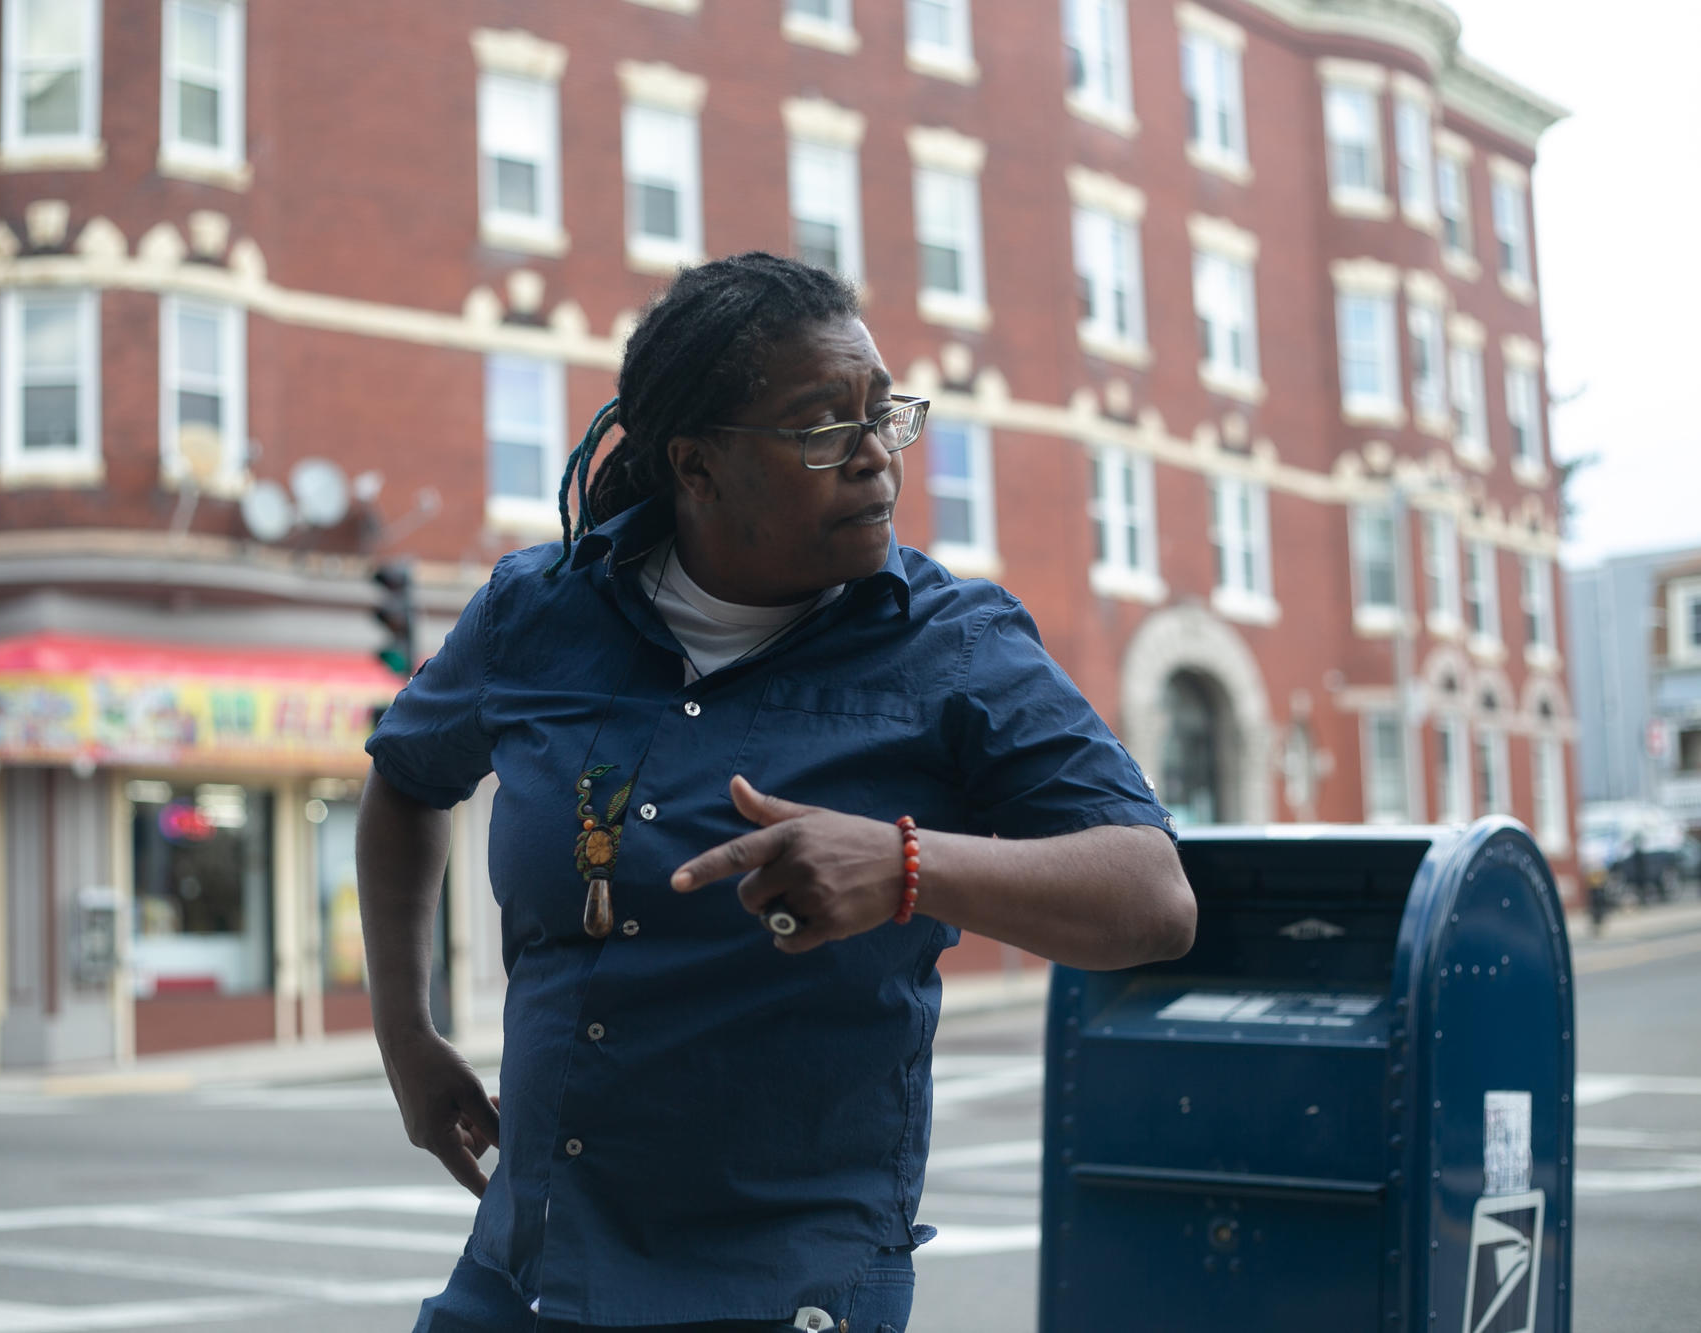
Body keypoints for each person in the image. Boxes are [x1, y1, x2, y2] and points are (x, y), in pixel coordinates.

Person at [358, 252, 1195, 1333]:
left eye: (884, 418)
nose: (872, 461)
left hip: (783, 1292)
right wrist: (404, 1037)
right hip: (526, 1272)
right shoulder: (539, 611)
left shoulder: (955, 647)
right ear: (696, 467)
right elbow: (406, 781)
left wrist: (907, 865)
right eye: (819, 428)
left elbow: (1153, 896)